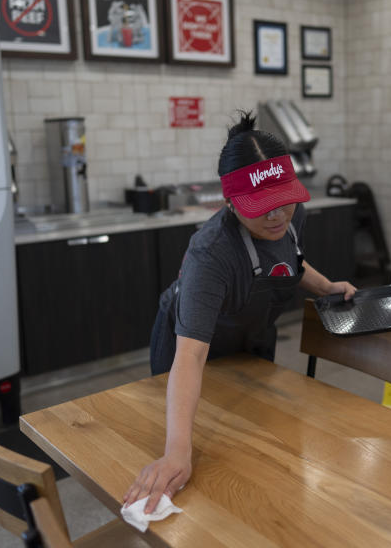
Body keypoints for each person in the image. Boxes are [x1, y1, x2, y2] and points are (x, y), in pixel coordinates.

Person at [123, 112, 356, 514]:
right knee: (206, 475)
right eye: (261, 206)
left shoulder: (290, 216)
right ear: (229, 201)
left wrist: (326, 286)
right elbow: (190, 355)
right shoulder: (210, 252)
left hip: (251, 337)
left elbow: (288, 263)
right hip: (193, 348)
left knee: (256, 452)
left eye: (284, 202)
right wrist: (177, 453)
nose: (277, 215)